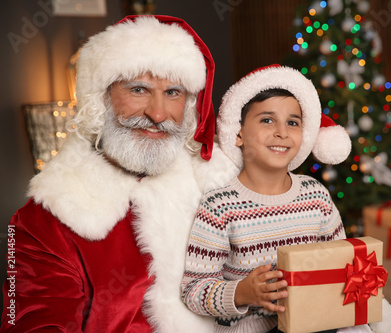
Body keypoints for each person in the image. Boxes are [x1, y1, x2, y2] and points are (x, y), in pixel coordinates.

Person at [0, 15, 240, 332]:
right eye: (138, 89)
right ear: (101, 99)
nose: (157, 113)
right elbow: (32, 323)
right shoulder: (41, 220)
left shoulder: (222, 187)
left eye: (173, 93)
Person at [182, 64, 357, 332]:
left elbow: (340, 263)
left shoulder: (316, 195)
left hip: (316, 322)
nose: (282, 132)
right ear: (238, 133)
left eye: (293, 122)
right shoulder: (219, 206)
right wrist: (242, 292)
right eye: (267, 120)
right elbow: (193, 290)